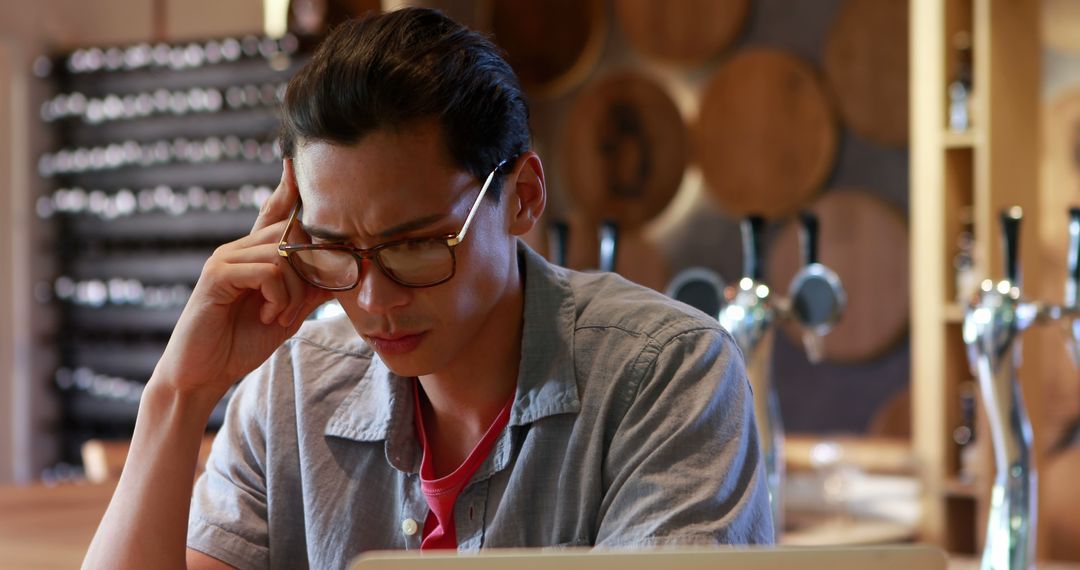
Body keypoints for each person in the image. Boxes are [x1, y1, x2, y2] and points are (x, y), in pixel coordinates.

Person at [82, 8, 773, 570]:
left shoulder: (665, 374)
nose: (374, 301)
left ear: (523, 197)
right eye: (335, 249)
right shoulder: (290, 386)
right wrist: (179, 392)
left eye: (413, 245)